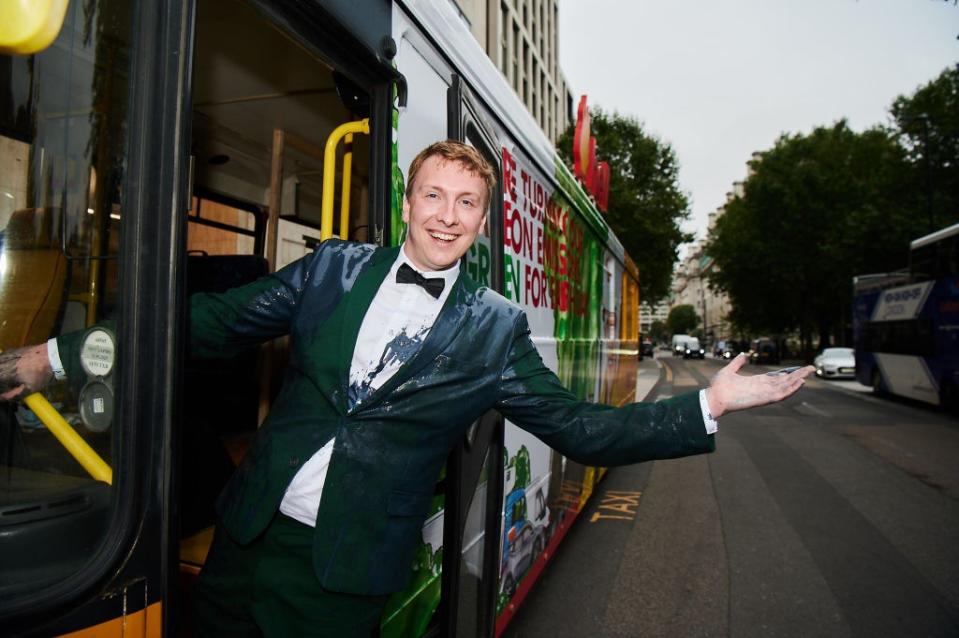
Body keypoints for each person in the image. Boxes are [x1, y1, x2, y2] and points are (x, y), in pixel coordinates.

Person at [0, 141, 814, 636]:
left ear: (482, 220)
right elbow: (205, 324)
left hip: (343, 572)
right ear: (408, 201)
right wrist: (58, 358)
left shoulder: (496, 330)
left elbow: (581, 429)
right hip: (245, 541)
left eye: (467, 203)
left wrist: (708, 404)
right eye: (434, 196)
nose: (447, 215)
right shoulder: (329, 270)